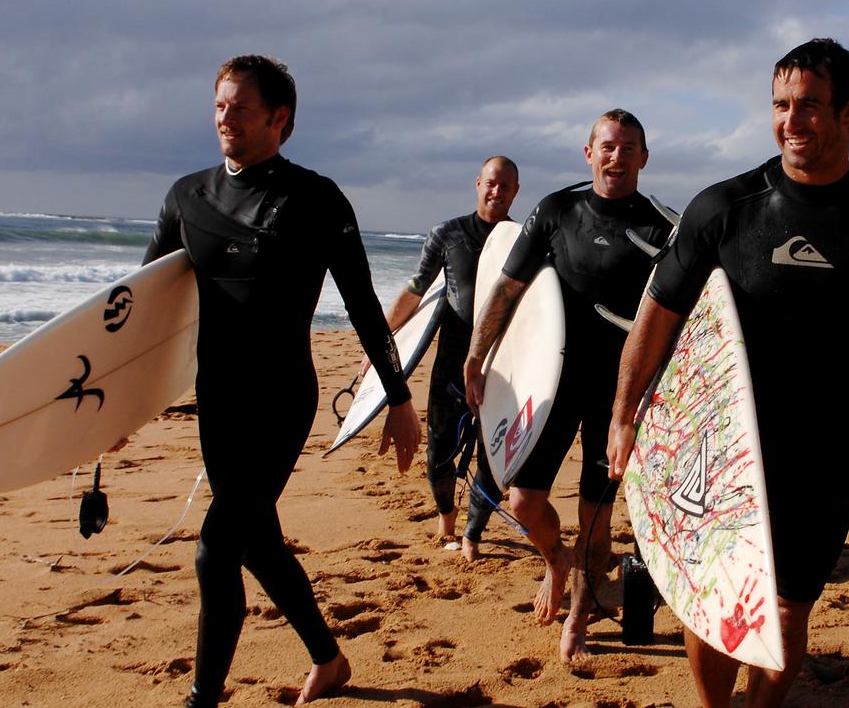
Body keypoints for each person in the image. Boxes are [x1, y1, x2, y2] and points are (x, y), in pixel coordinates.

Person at [607, 39, 849, 707]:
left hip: (826, 448)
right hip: (717, 449)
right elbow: (656, 316)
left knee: (782, 614)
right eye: (780, 105)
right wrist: (622, 414)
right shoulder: (725, 208)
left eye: (809, 105)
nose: (791, 121)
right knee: (716, 611)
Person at [142, 55, 421, 707]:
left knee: (216, 548)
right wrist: (115, 409)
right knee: (256, 542)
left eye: (240, 108)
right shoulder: (188, 196)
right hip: (219, 404)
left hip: (282, 401)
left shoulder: (315, 200)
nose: (225, 119)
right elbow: (142, 313)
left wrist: (398, 399)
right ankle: (328, 660)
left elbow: (361, 306)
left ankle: (201, 698)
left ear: (279, 118)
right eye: (219, 106)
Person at [464, 110, 675, 662]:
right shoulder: (557, 210)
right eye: (607, 146)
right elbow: (508, 289)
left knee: (597, 518)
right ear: (589, 153)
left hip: (619, 396)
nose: (617, 156)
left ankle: (579, 617)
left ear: (644, 158)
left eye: (629, 147)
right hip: (551, 383)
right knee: (525, 499)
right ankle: (556, 561)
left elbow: (682, 318)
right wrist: (475, 355)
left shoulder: (663, 228)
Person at [379, 156, 520, 561]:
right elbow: (414, 291)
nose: (497, 192)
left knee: (493, 454)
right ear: (478, 183)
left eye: (506, 186)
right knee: (439, 452)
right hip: (452, 363)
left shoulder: (522, 239)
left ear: (516, 191)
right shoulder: (448, 234)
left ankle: (474, 532)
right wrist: (379, 346)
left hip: (502, 364)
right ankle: (446, 514)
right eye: (491, 183)